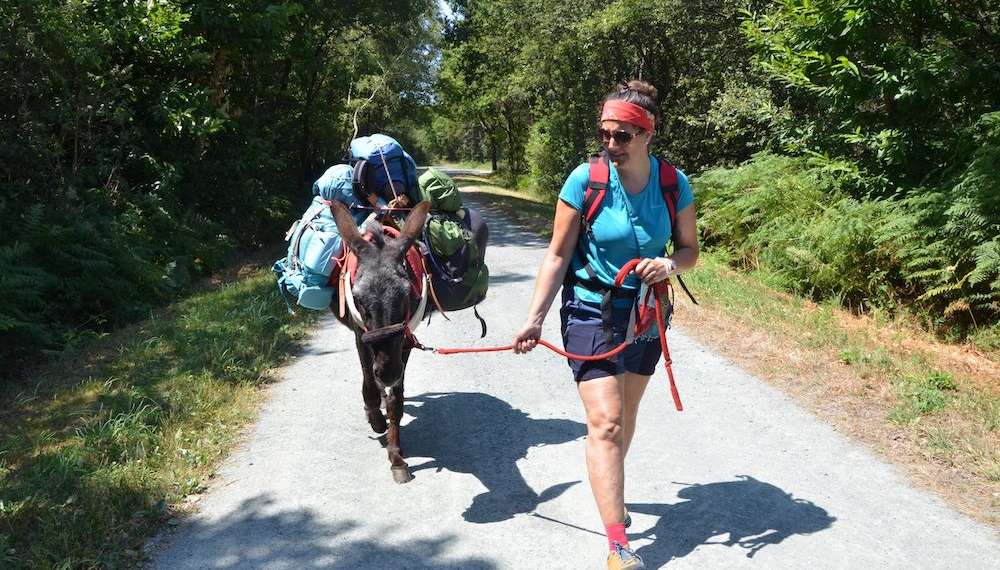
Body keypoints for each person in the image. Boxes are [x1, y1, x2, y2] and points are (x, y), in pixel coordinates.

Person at [512, 80, 699, 570]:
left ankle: (610, 486)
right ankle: (618, 544)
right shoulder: (584, 180)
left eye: (621, 136)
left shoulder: (673, 184)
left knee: (627, 416)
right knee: (607, 421)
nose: (610, 144)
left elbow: (689, 250)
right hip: (590, 311)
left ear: (646, 134)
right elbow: (556, 255)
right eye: (604, 134)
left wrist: (670, 266)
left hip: (646, 315)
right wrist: (533, 320)